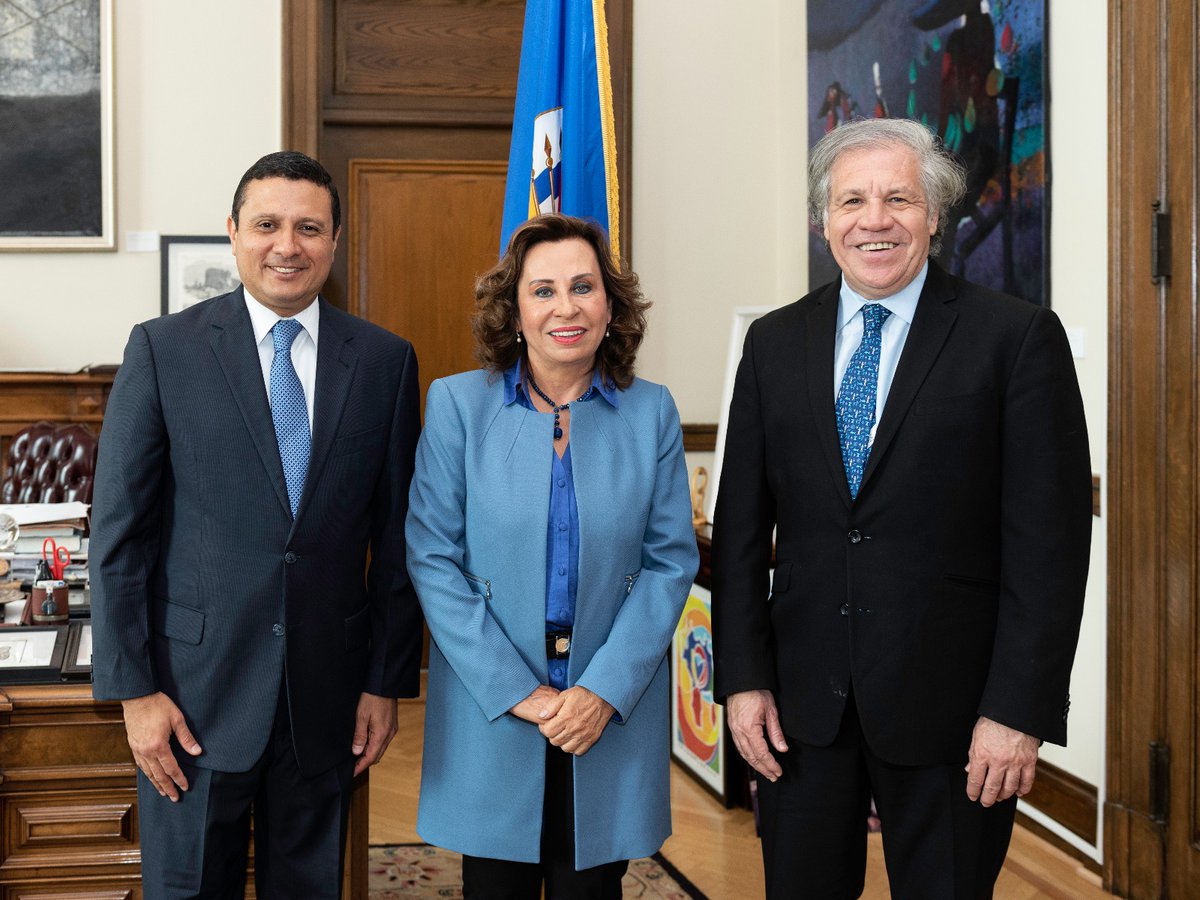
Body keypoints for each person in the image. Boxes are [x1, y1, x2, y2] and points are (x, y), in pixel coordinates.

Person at [711, 118, 1092, 898]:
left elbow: (1048, 550)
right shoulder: (774, 344)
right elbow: (743, 536)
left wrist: (1017, 711)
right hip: (802, 714)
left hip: (955, 719)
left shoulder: (1015, 340)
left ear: (935, 217)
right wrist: (744, 681)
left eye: (899, 199)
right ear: (824, 223)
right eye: (852, 200)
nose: (874, 220)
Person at [90, 150, 422, 898]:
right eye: (267, 224)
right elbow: (119, 536)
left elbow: (398, 539)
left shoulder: (383, 362)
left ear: (334, 242)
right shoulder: (162, 350)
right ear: (233, 233)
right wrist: (134, 692)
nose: (287, 245)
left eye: (309, 227)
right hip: (191, 702)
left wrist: (384, 683)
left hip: (328, 700)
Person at [405, 213, 699, 900]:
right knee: (495, 886)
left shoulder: (651, 411)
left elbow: (668, 563)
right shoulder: (456, 406)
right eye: (543, 290)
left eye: (582, 287)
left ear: (610, 304)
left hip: (607, 715)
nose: (565, 307)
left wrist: (600, 692)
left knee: (592, 887)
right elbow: (431, 557)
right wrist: (522, 693)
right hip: (496, 710)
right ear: (514, 312)